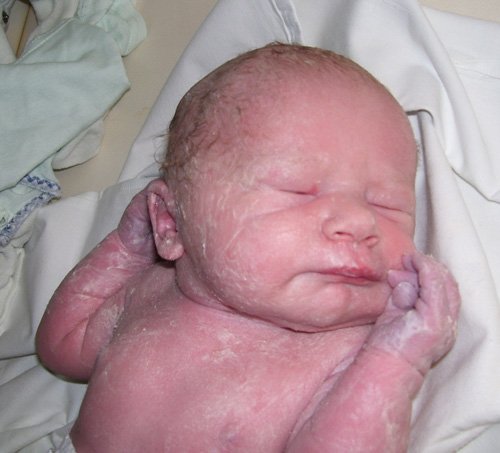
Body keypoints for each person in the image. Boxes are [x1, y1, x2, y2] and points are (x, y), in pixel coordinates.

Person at [36, 43, 460, 452]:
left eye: (387, 205)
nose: (361, 222)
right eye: (299, 190)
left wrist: (395, 361)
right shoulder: (148, 293)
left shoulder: (352, 354)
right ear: (170, 223)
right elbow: (62, 349)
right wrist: (125, 250)